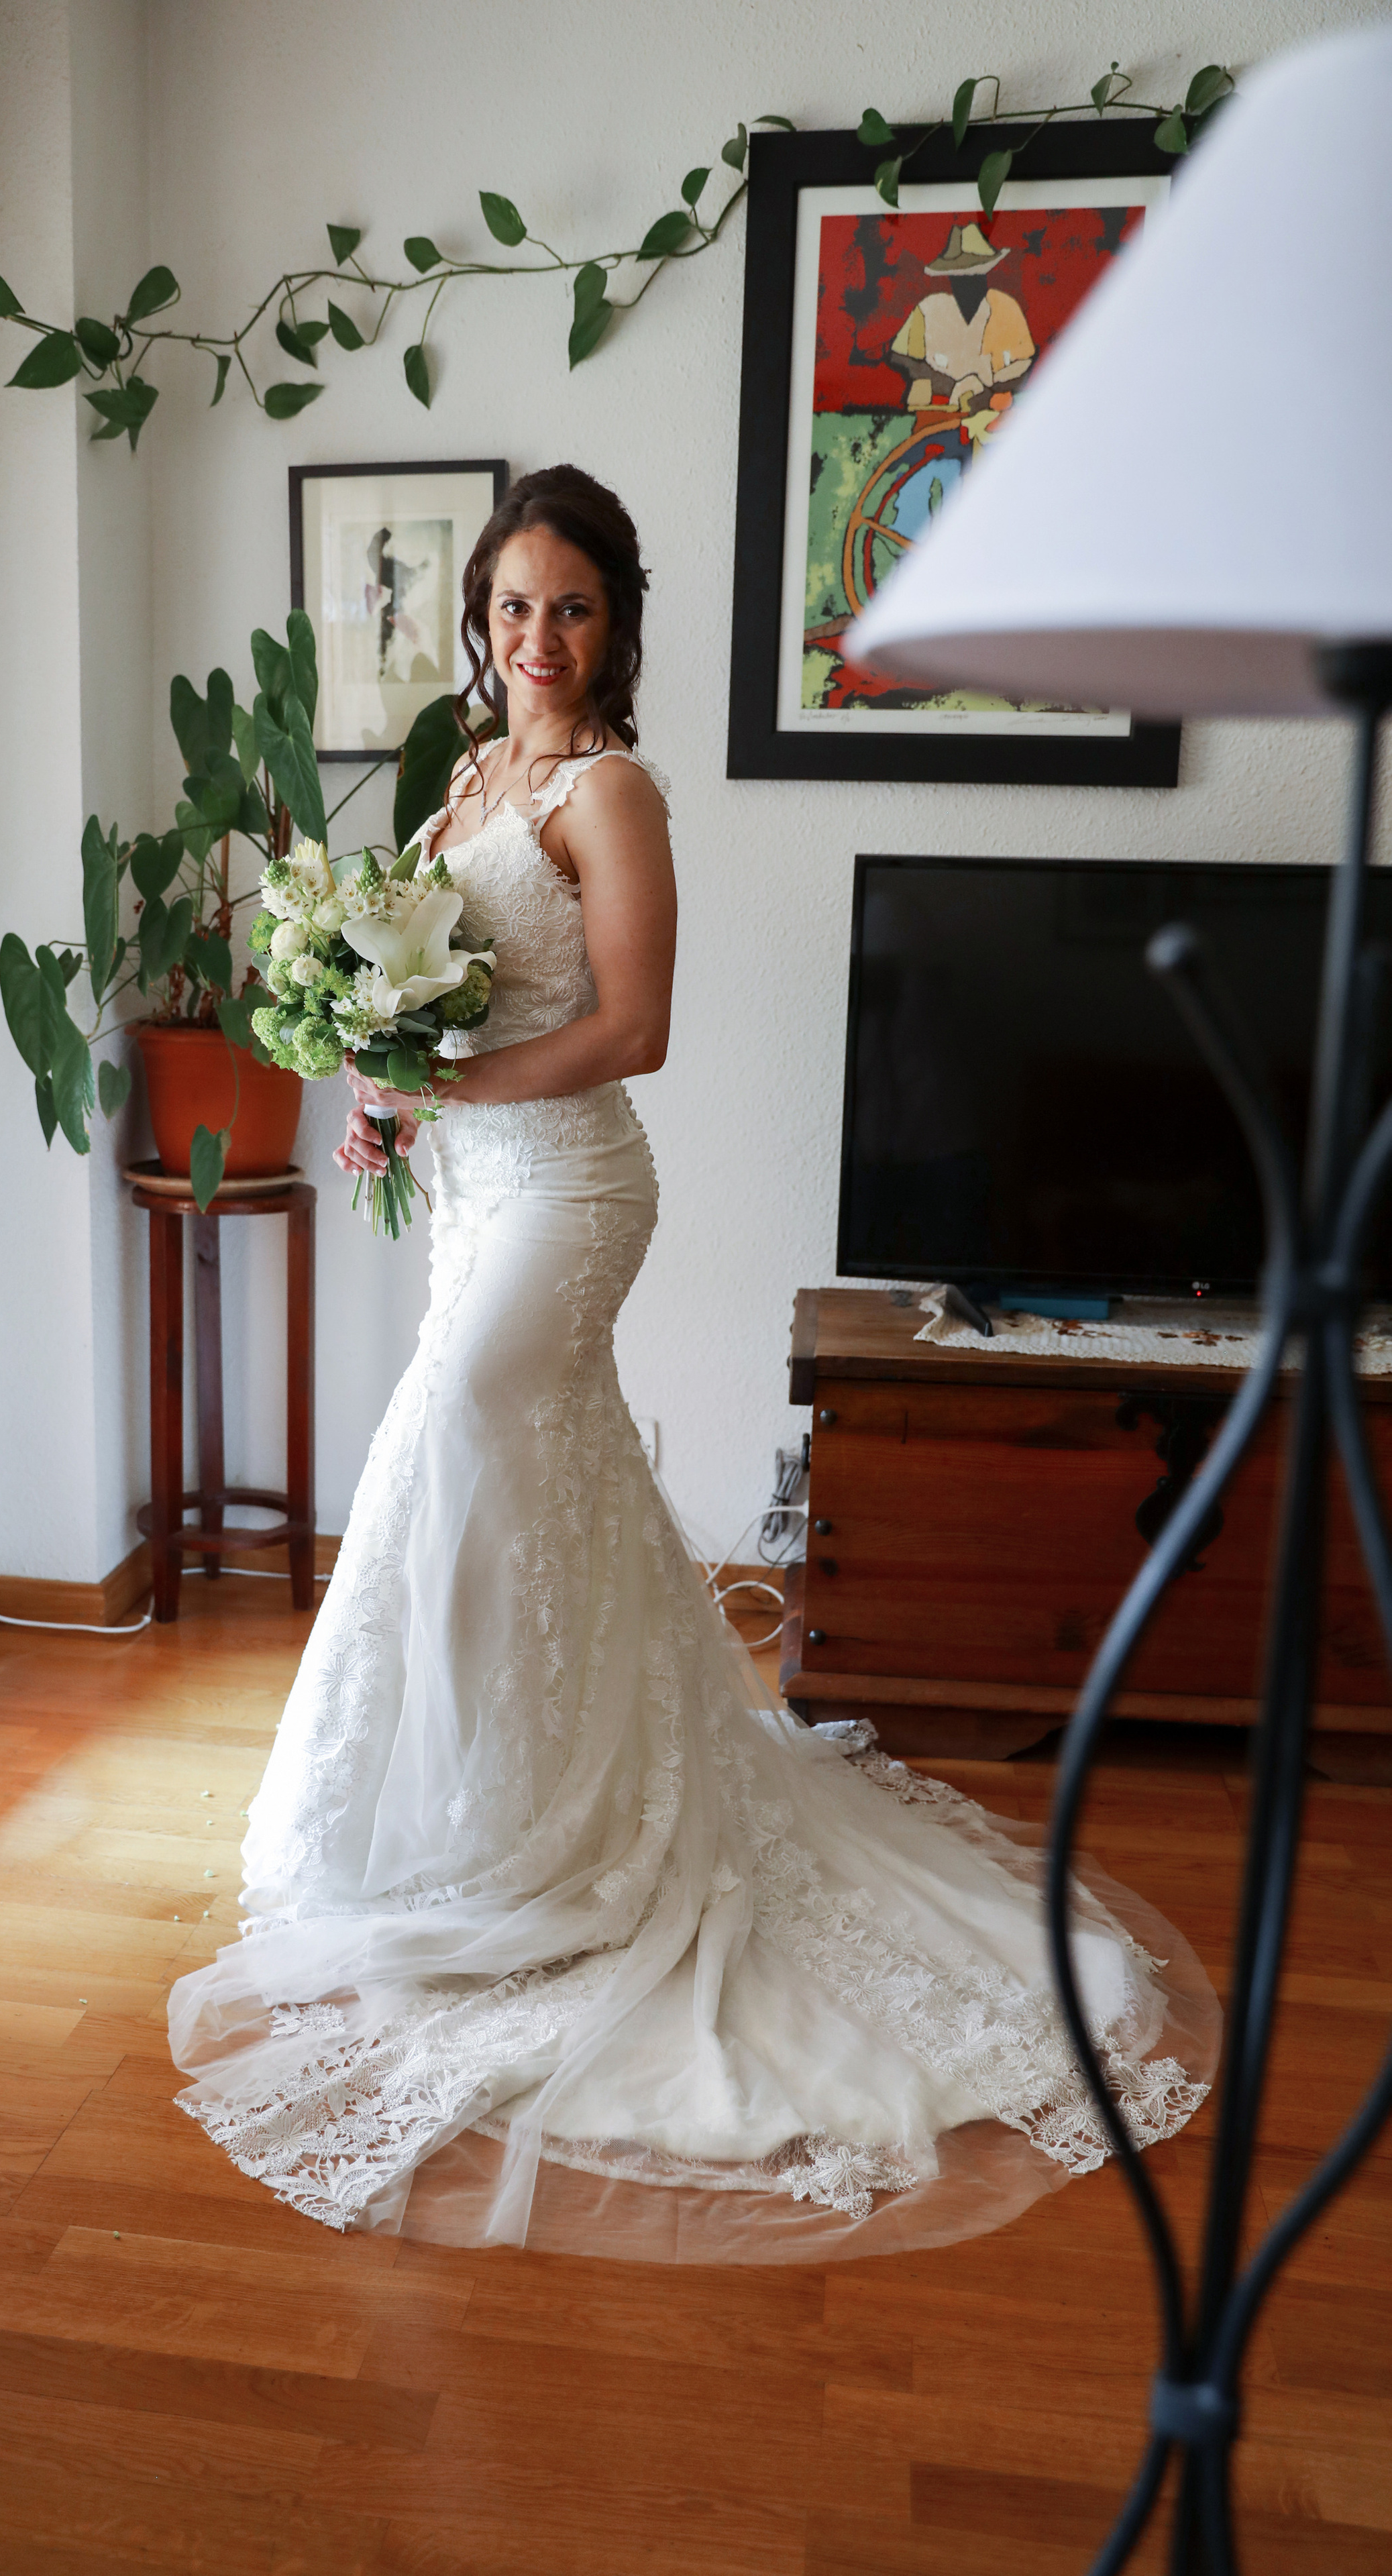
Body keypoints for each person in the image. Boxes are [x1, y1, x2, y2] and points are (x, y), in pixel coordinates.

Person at [167, 465, 1216, 2262]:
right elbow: (429, 1011)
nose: (535, 638)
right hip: (471, 1195)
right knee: (515, 1488)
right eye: (510, 607)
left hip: (573, 1197)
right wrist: (374, 1102)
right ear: (481, 626)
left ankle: (550, 1850)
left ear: (616, 624)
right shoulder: (465, 785)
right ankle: (478, 1823)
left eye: (569, 606)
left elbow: (630, 1029)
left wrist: (445, 1083)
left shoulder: (610, 790)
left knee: (463, 1442)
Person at [889, 221, 1034, 415]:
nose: (968, 284)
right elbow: (902, 358)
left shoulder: (1005, 308)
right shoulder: (928, 309)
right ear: (950, 278)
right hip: (939, 409)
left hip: (992, 410)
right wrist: (951, 386)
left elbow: (1026, 364)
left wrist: (987, 392)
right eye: (960, 276)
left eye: (976, 275)